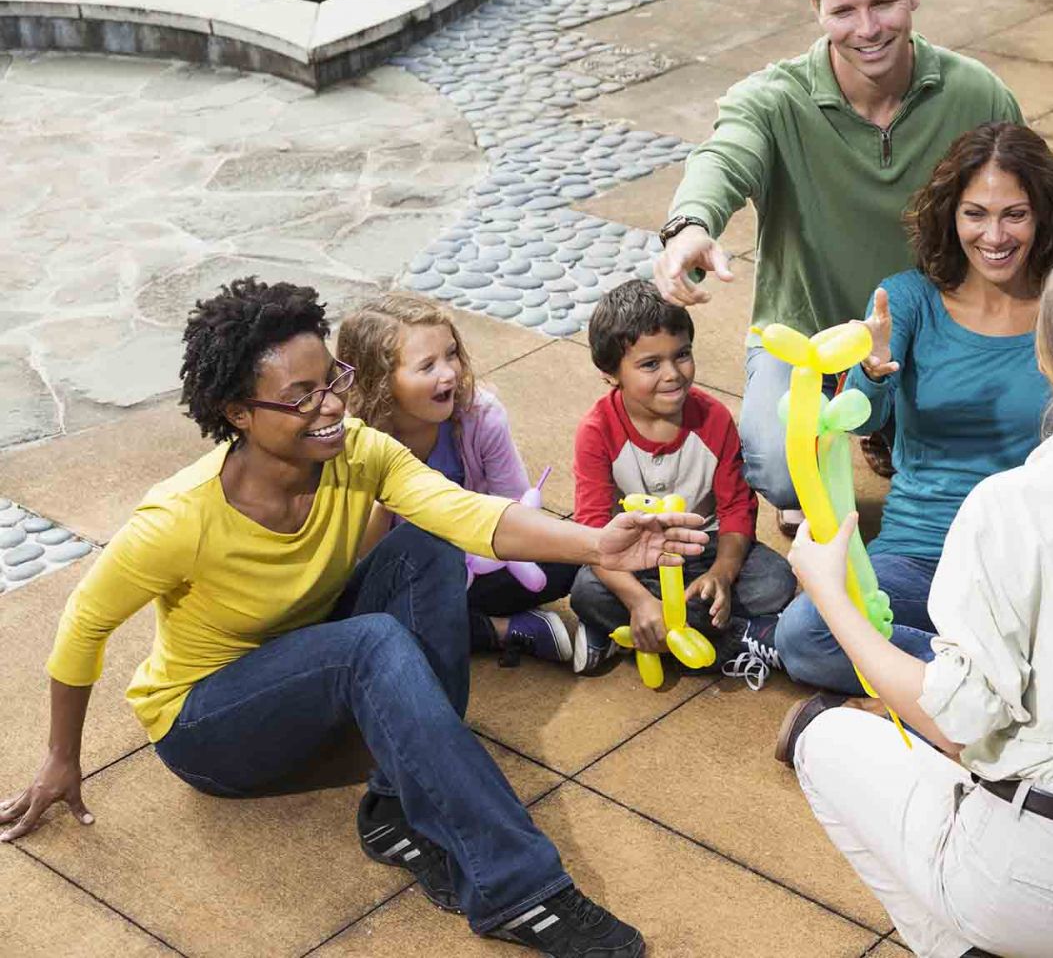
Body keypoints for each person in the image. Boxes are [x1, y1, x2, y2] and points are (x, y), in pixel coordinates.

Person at [0, 279, 708, 958]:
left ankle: (396, 806)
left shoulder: (357, 452)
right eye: (299, 397)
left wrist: (597, 542)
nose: (331, 405)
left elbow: (466, 513)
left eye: (332, 380)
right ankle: (519, 888)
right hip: (209, 723)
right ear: (238, 412)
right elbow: (83, 623)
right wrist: (61, 756)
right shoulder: (178, 518)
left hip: (317, 665)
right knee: (368, 644)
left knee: (423, 544)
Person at [776, 251, 1053, 958]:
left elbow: (956, 719)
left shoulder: (1008, 507)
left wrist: (829, 594)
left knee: (821, 740)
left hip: (1044, 890)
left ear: (1045, 361)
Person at [651, 0, 1024, 529]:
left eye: (883, 3)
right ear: (817, 11)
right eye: (844, 10)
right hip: (805, 335)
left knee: (985, 462)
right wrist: (689, 225)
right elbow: (723, 156)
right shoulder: (773, 101)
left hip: (928, 328)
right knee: (775, 468)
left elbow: (1032, 198)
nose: (868, 28)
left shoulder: (976, 94)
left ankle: (890, 426)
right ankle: (844, 450)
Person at [774, 122, 1053, 695]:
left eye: (1014, 214)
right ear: (950, 215)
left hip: (1028, 563)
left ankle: (934, 690)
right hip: (920, 553)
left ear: (1043, 215)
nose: (994, 235)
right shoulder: (909, 297)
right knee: (804, 636)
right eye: (976, 214)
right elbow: (863, 421)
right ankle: (979, 683)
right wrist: (872, 370)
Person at [568, 280, 796, 684]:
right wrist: (639, 600)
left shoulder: (713, 418)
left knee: (776, 580)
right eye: (650, 364)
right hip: (634, 560)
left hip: (703, 550)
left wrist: (723, 575)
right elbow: (593, 532)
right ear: (610, 374)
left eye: (682, 355)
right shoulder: (596, 431)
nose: (673, 374)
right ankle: (738, 639)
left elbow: (736, 510)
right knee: (587, 590)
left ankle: (637, 634)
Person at [337, 293, 579, 665]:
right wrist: (386, 493)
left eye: (451, 354)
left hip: (479, 563)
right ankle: (501, 630)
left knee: (560, 561)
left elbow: (514, 508)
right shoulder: (353, 443)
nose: (449, 372)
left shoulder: (480, 415)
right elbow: (362, 560)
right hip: (407, 585)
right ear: (381, 382)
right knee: (362, 622)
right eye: (427, 365)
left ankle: (465, 629)